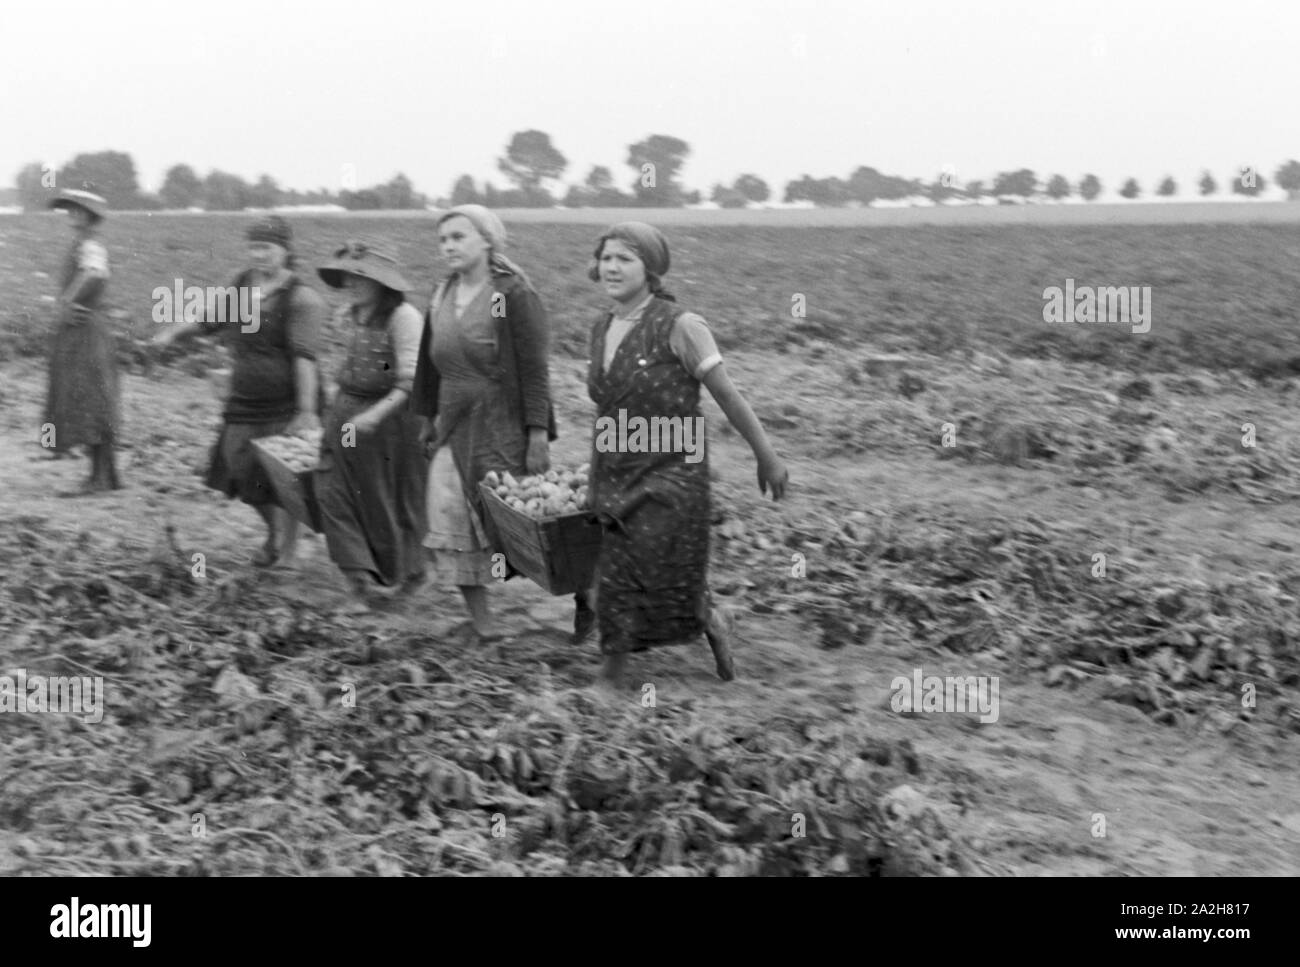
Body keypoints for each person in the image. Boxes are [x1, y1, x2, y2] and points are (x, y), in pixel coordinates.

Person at [584, 222, 789, 687]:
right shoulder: (601, 327)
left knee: (633, 564)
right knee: (639, 568)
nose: (612, 267)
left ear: (651, 269)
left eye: (625, 259)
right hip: (617, 463)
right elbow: (607, 405)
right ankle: (710, 619)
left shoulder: (681, 326)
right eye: (606, 258)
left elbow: (728, 395)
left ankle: (611, 677)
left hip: (673, 468)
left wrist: (767, 456)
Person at [412, 205, 593, 642]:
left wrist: (537, 433)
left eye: (459, 236)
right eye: (443, 239)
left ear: (487, 240)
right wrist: (425, 417)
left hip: (500, 422)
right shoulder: (441, 293)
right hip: (453, 422)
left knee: (522, 522)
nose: (449, 246)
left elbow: (533, 368)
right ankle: (484, 624)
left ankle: (588, 597)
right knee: (452, 517)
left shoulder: (509, 294)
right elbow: (428, 365)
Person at [154, 216, 326, 566]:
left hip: (286, 400)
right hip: (245, 396)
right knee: (241, 468)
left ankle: (288, 552)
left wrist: (306, 411)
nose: (259, 254)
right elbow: (208, 320)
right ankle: (274, 534)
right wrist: (171, 333)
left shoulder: (301, 298)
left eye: (267, 247)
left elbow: (304, 358)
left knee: (285, 475)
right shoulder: (242, 284)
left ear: (285, 250)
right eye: (254, 247)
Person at [314, 239, 428, 610]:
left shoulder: (403, 318)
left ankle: (398, 577)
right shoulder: (347, 316)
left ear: (383, 283)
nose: (352, 283)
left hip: (391, 420)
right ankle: (360, 578)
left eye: (362, 277)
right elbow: (343, 366)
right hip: (347, 415)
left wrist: (374, 416)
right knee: (332, 489)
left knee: (380, 498)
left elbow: (412, 381)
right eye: (348, 276)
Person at [44, 189, 122, 495]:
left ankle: (100, 478)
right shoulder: (82, 242)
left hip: (87, 331)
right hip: (80, 330)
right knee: (88, 399)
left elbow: (94, 273)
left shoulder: (91, 245)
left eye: (79, 210)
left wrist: (67, 300)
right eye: (71, 210)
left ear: (91, 216)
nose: (73, 214)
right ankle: (105, 475)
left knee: (92, 400)